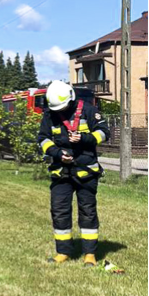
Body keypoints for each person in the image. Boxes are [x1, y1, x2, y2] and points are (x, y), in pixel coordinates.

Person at [36, 79, 107, 263]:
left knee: (87, 211)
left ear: (70, 99)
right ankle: (63, 252)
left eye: (62, 108)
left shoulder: (89, 110)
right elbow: (43, 139)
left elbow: (104, 132)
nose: (59, 112)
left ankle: (89, 254)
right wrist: (57, 153)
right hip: (61, 172)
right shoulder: (50, 115)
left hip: (86, 172)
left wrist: (84, 138)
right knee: (59, 211)